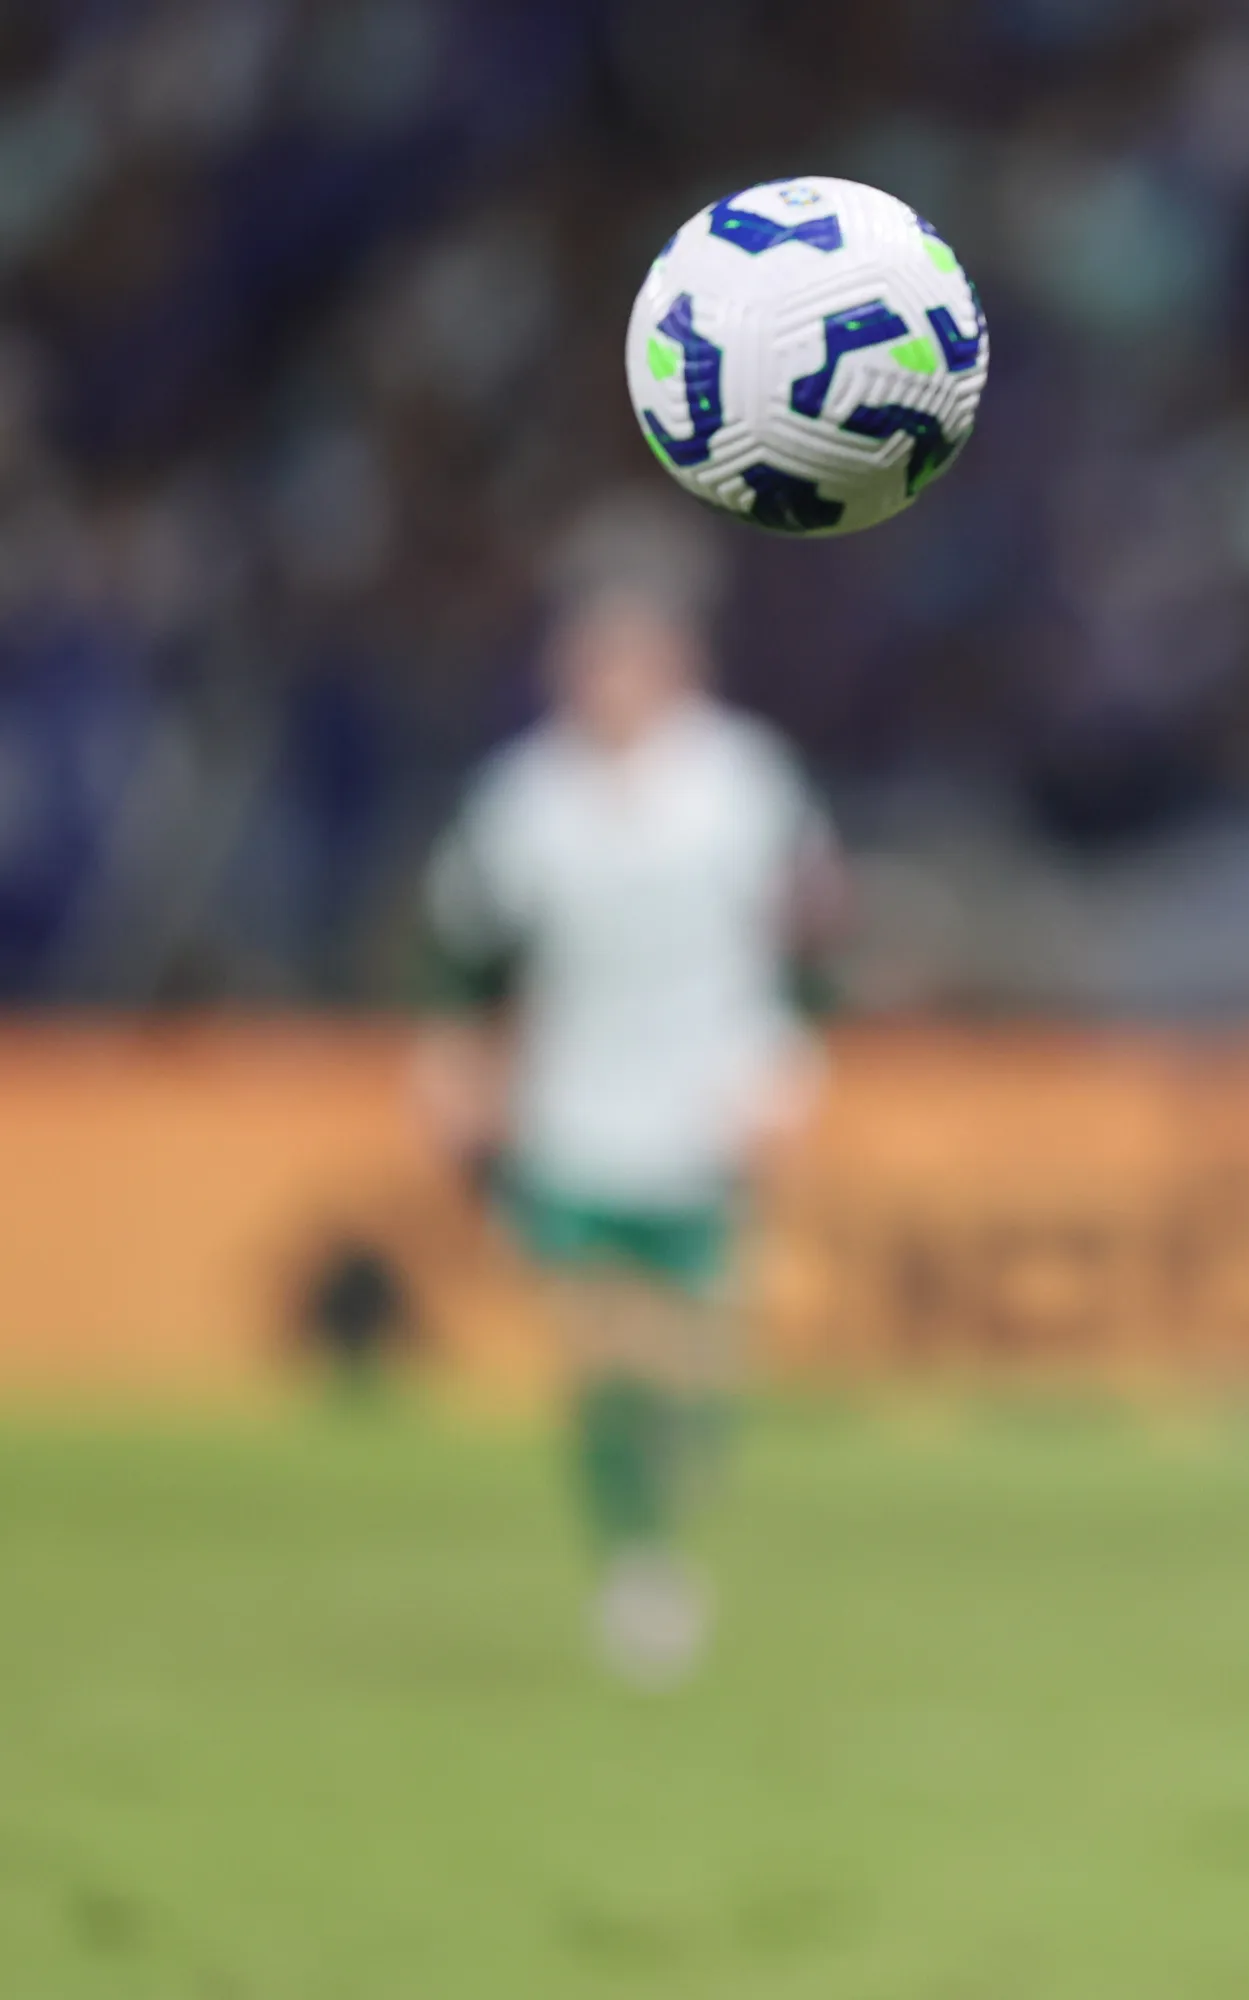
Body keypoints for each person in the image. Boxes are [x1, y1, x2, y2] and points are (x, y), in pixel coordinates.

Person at [415, 498, 840, 1688]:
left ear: (677, 664)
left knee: (693, 1354)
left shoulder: (747, 786)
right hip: (575, 1112)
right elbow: (466, 951)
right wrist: (455, 1060)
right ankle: (639, 1566)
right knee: (599, 1345)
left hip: (707, 1102)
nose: (610, 682)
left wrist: (791, 1061)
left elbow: (812, 937)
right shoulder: (524, 803)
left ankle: (672, 1487)